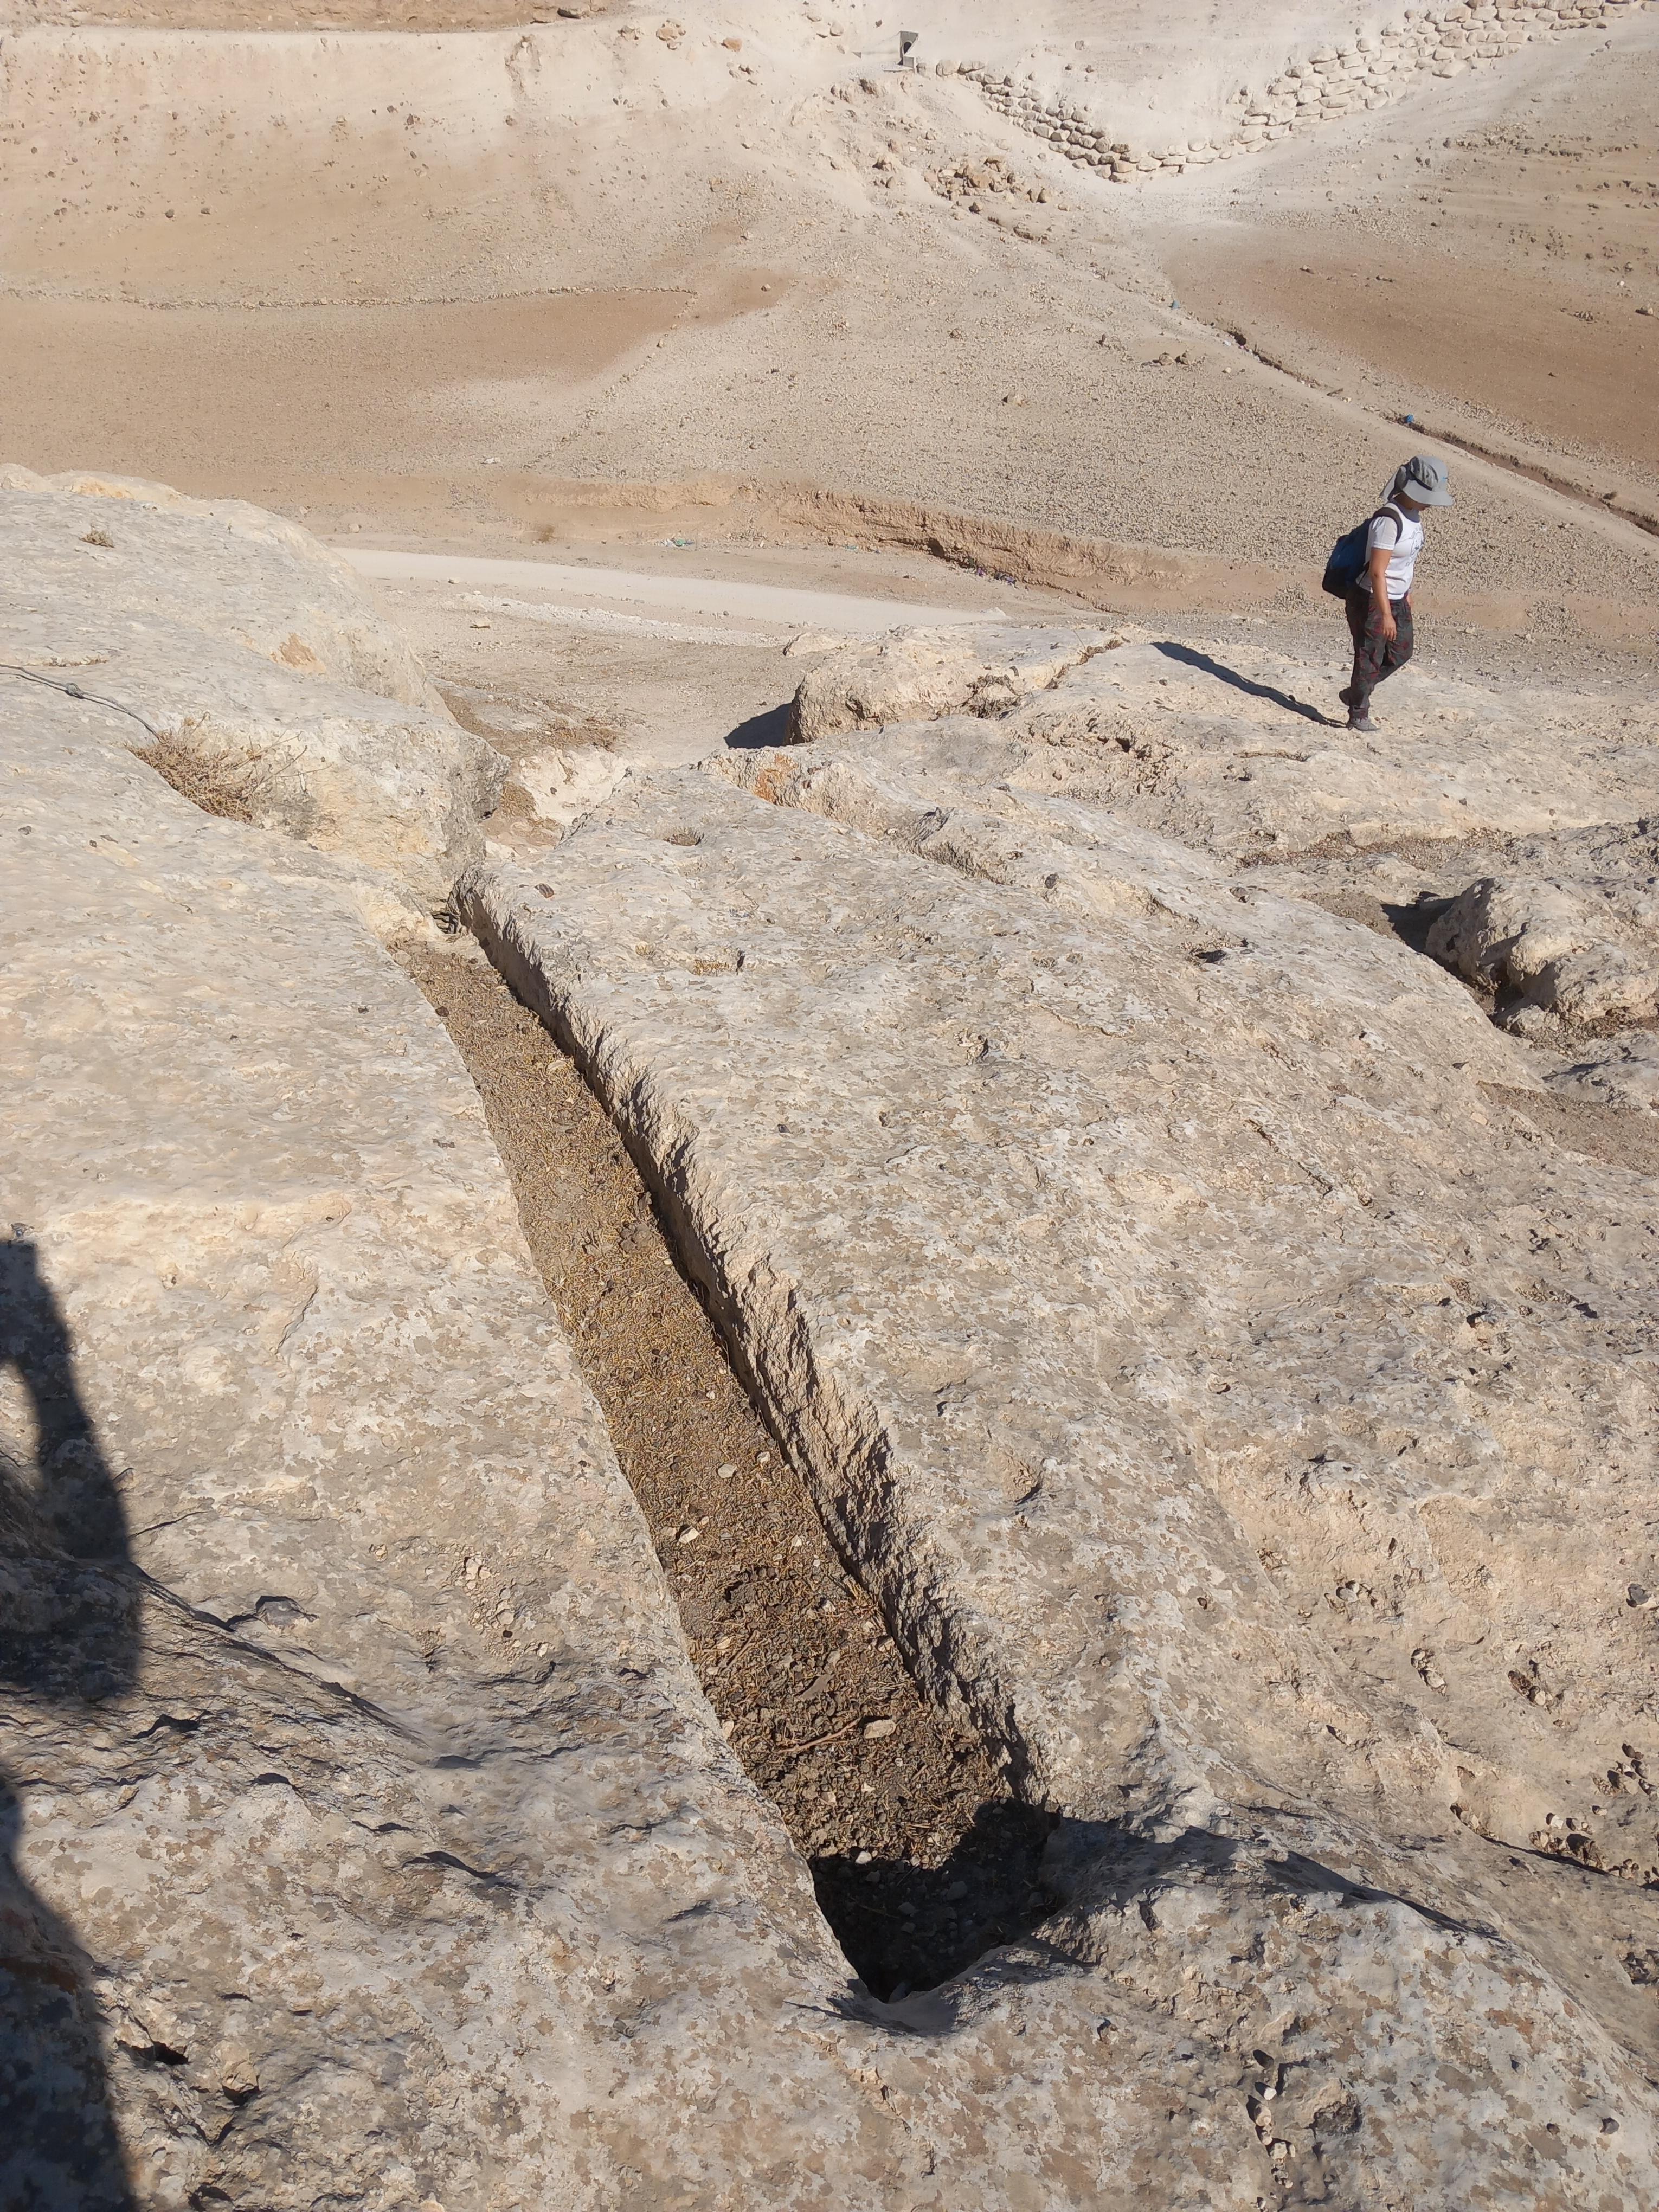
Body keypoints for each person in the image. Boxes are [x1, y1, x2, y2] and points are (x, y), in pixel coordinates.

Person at [1340, 454, 1452, 734]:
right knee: (1369, 655)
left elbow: (1407, 560)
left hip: (1398, 598)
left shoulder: (1413, 515)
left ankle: (1356, 692)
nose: (1430, 503)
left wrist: (1407, 592)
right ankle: (1358, 713)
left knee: (1402, 651)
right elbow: (1378, 572)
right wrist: (1386, 614)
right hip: (1372, 598)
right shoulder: (1388, 520)